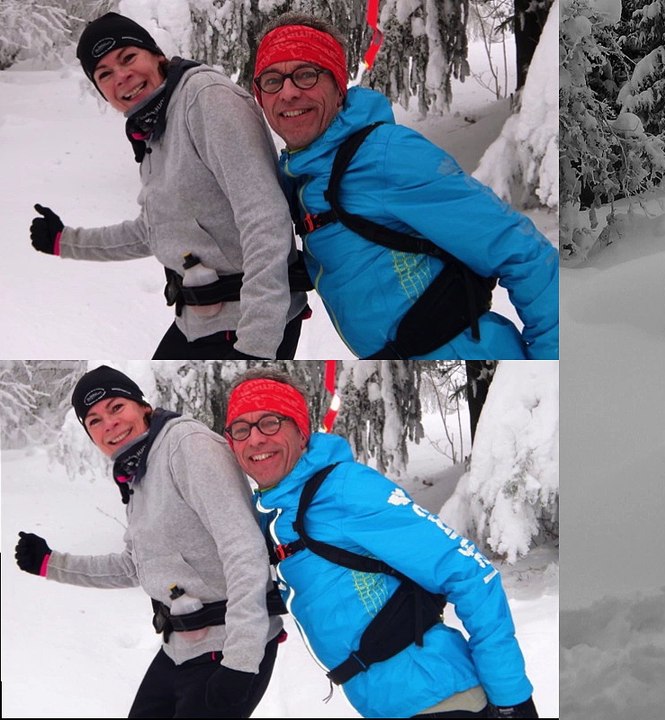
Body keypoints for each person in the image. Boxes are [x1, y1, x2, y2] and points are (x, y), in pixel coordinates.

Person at [223, 370, 538, 718]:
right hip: (386, 706)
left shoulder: (343, 490)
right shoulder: (275, 512)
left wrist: (511, 698)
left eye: (270, 422)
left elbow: (470, 573)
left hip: (438, 699)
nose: (255, 439)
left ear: (301, 432)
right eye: (241, 429)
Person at [249, 14, 558, 360]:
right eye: (273, 80)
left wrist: (550, 363)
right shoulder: (300, 176)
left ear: (338, 87)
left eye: (306, 74)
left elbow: (521, 250)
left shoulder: (385, 155)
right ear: (260, 97)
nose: (289, 92)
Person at [27, 12, 309, 359]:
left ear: (157, 55)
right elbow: (155, 231)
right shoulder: (154, 128)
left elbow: (264, 216)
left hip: (247, 324)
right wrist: (65, 241)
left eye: (128, 58)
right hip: (200, 321)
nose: (122, 76)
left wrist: (259, 340)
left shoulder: (206, 99)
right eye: (104, 74)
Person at [12, 365, 285, 718]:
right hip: (179, 650)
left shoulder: (187, 447)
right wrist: (52, 563)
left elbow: (244, 549)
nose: (108, 424)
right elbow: (137, 565)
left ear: (142, 407)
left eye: (115, 407)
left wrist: (242, 659)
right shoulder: (138, 471)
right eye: (93, 420)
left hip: (228, 649)